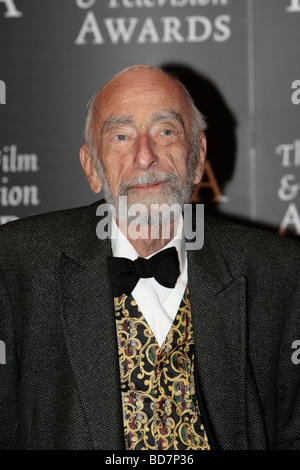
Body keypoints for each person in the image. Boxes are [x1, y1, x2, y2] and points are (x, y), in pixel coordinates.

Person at [0, 65, 299, 451]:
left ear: (198, 155)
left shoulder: (278, 271)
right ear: (92, 167)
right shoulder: (14, 265)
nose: (145, 156)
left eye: (166, 131)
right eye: (121, 136)